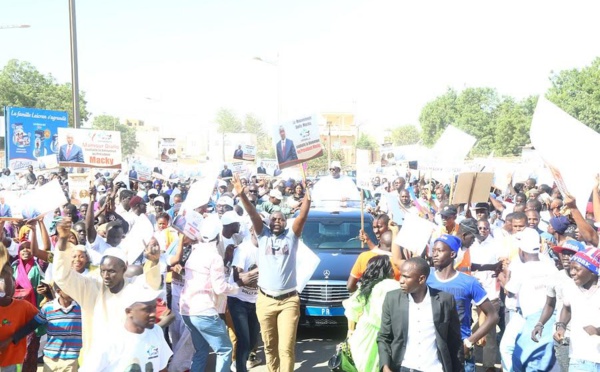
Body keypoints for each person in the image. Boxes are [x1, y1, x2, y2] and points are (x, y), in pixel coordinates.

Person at [52, 218, 161, 360]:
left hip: (125, 360)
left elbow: (151, 287)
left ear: (125, 269)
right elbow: (62, 277)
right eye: (102, 270)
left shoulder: (134, 288)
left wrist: (153, 262)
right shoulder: (91, 286)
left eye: (111, 271)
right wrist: (62, 241)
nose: (106, 276)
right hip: (95, 360)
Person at [234, 173, 310, 372]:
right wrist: (241, 195)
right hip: (265, 300)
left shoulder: (292, 237)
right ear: (268, 222)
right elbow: (252, 213)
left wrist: (307, 200)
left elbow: (301, 217)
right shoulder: (263, 235)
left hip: (289, 301)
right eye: (274, 219)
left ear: (285, 222)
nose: (277, 221)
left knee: (285, 348)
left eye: (281, 219)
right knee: (269, 346)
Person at [178, 216, 254, 372]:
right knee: (225, 350)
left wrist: (226, 261)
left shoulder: (195, 252)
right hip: (204, 311)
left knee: (201, 351)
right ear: (218, 236)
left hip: (187, 310)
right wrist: (238, 285)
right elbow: (220, 288)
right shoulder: (214, 257)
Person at [377, 257, 464, 372]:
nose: (401, 280)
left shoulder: (445, 300)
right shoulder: (392, 299)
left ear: (421, 279)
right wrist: (385, 366)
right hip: (403, 367)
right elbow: (384, 337)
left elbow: (455, 341)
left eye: (406, 277)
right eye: (401, 275)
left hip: (434, 368)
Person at [427, 234, 498, 372]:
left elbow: (493, 316)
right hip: (431, 347)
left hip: (459, 347)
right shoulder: (426, 278)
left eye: (439, 251)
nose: (434, 254)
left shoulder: (469, 282)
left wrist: (469, 342)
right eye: (433, 250)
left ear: (452, 254)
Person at [81, 284, 172, 371]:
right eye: (147, 310)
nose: (153, 314)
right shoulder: (108, 340)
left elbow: (162, 368)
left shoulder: (156, 331)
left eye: (154, 308)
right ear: (129, 312)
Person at [3, 282, 82, 371]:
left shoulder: (81, 308)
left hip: (71, 359)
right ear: (59, 291)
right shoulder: (48, 308)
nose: (73, 292)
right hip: (50, 359)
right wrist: (12, 339)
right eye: (69, 290)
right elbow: (31, 325)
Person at [343, 256, 398, 372]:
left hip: (364, 334)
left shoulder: (366, 287)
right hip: (387, 335)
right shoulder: (394, 286)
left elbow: (351, 310)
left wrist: (350, 332)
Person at [553, 247, 600, 371]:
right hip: (579, 358)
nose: (572, 272)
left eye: (577, 269)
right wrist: (561, 326)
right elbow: (567, 308)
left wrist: (597, 331)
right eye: (571, 268)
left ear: (593, 272)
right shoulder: (570, 286)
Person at [0, 265, 39, 372]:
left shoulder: (23, 306)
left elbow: (40, 320)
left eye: (10, 284)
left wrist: (13, 338)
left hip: (14, 359)